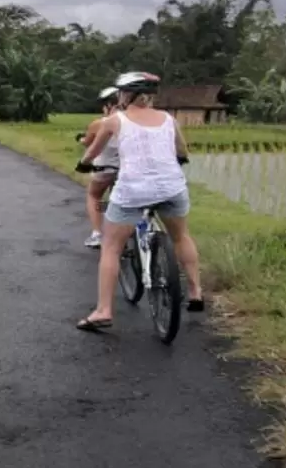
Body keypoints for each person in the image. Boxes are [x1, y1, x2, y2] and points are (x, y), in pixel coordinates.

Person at [74, 71, 204, 333]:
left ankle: (103, 311)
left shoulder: (114, 121)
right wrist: (178, 160)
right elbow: (182, 151)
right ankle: (195, 293)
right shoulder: (169, 119)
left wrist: (84, 164)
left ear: (126, 95)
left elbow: (93, 151)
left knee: (111, 246)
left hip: (133, 190)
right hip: (172, 188)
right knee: (180, 237)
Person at [77, 86, 120, 248]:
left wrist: (81, 140)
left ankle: (97, 234)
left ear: (109, 105)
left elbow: (88, 143)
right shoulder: (133, 122)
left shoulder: (99, 123)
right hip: (126, 171)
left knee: (94, 195)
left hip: (103, 169)